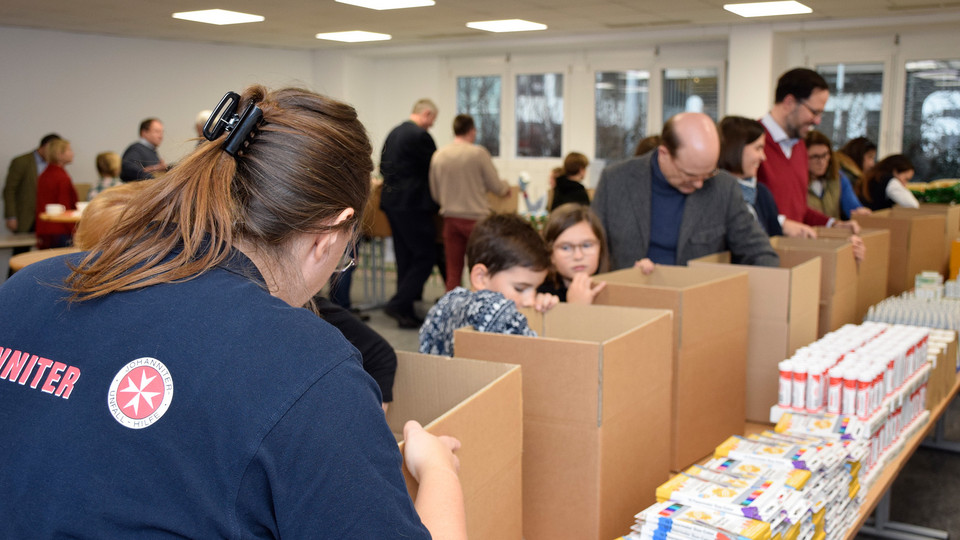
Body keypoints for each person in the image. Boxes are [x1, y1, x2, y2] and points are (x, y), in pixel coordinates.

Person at [0, 86, 465, 539]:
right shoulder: (307, 364)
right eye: (346, 254)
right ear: (330, 233)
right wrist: (440, 472)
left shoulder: (25, 289)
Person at [593, 112, 779, 270]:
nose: (699, 184)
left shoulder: (724, 188)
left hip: (696, 303)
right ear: (664, 154)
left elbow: (758, 250)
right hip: (627, 300)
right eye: (690, 175)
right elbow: (591, 247)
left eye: (707, 174)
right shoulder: (616, 180)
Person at [419, 213, 559, 357]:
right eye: (520, 288)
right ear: (480, 277)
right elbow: (539, 357)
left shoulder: (448, 301)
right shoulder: (492, 308)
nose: (530, 300)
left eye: (535, 290)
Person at [756, 68, 860, 234]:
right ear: (789, 102)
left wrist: (832, 224)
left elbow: (799, 210)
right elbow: (744, 210)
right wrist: (782, 224)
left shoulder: (799, 147)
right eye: (814, 112)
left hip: (794, 252)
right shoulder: (751, 143)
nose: (817, 121)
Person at [429, 113, 510, 292]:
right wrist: (506, 188)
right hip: (477, 221)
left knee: (453, 272)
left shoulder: (438, 155)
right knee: (480, 271)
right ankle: (478, 311)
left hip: (450, 220)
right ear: (472, 131)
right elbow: (496, 186)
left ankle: (452, 313)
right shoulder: (478, 153)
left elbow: (435, 193)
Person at [379, 98, 439, 328]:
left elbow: (383, 167)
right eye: (432, 120)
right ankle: (400, 302)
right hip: (413, 203)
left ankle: (405, 310)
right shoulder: (420, 136)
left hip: (392, 202)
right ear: (426, 114)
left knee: (404, 256)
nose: (431, 125)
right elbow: (435, 168)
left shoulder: (394, 133)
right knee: (425, 255)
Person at [717, 116, 817, 238]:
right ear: (736, 148)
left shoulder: (762, 194)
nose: (763, 157)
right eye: (758, 148)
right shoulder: (714, 195)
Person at [538, 203, 608, 303]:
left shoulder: (616, 288)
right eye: (566, 248)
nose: (578, 256)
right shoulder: (540, 297)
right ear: (550, 253)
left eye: (586, 245)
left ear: (600, 248)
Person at [3, 134, 61, 249]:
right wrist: (11, 217)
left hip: (45, 216)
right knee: (21, 250)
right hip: (26, 216)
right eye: (55, 149)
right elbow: (9, 190)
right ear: (46, 146)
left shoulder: (54, 164)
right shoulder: (21, 162)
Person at [805, 131, 869, 220]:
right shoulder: (795, 182)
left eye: (825, 155)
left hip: (835, 231)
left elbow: (853, 207)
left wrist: (860, 213)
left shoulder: (839, 178)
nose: (821, 162)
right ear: (802, 156)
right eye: (815, 156)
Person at [34, 138, 78, 249]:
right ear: (59, 154)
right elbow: (65, 207)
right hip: (61, 230)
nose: (72, 153)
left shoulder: (44, 174)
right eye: (69, 150)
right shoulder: (62, 177)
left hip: (45, 229)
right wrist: (75, 231)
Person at [855, 154, 920, 211]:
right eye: (906, 179)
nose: (905, 184)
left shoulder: (873, 177)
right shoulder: (891, 182)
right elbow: (913, 205)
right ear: (896, 171)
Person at [120, 117, 167, 181]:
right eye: (157, 131)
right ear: (144, 133)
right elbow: (128, 168)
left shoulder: (150, 150)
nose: (160, 136)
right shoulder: (136, 149)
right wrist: (153, 174)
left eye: (162, 132)